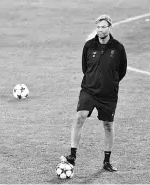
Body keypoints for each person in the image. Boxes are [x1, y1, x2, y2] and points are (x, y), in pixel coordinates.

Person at [61, 14, 127, 172]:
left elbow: (122, 71)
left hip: (108, 95)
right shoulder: (89, 46)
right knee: (79, 117)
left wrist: (110, 82)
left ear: (109, 27)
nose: (100, 30)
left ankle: (106, 161)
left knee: (108, 126)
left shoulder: (118, 48)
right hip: (89, 90)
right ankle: (72, 155)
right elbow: (85, 68)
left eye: (103, 27)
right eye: (98, 27)